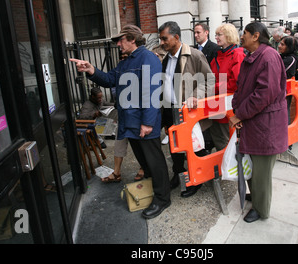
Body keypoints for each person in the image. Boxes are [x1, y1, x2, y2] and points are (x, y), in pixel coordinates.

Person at [70, 25, 170, 219]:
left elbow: (152, 93)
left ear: (132, 39)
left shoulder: (148, 58)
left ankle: (162, 199)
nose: (118, 43)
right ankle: (152, 191)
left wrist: (148, 123)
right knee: (145, 162)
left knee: (155, 163)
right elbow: (109, 79)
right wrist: (91, 69)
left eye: (121, 39)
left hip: (143, 124)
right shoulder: (127, 62)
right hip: (130, 123)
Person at [229, 22, 289, 223]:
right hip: (255, 123)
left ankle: (261, 209)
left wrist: (240, 114)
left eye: (244, 33)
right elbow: (243, 88)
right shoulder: (254, 56)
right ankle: (256, 198)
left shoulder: (269, 57)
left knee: (261, 172)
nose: (241, 36)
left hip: (265, 125)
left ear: (255, 36)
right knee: (252, 168)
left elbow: (263, 94)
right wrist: (238, 110)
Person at [159, 21, 214, 198]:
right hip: (169, 110)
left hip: (187, 112)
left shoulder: (195, 55)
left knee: (194, 147)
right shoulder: (166, 58)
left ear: (176, 37)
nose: (162, 42)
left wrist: (196, 95)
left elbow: (210, 80)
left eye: (164, 38)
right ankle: (178, 174)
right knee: (175, 147)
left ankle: (196, 178)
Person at [210, 23, 245, 150]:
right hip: (217, 104)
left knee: (226, 141)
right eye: (216, 35)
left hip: (229, 105)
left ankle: (229, 168)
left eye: (219, 35)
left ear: (229, 36)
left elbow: (237, 82)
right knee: (219, 139)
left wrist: (215, 87)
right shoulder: (218, 55)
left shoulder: (237, 54)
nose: (216, 38)